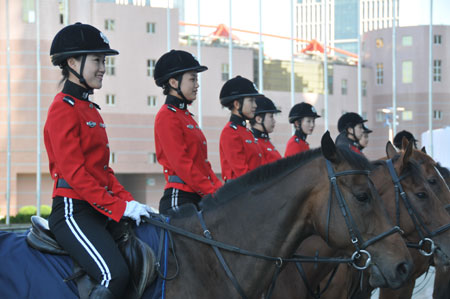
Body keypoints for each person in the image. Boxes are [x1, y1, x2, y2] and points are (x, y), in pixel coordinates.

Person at [45, 23, 151, 298]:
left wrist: (130, 202)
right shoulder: (62, 109)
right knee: (114, 274)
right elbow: (77, 175)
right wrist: (118, 207)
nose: (103, 67)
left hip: (96, 209)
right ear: (72, 62)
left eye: (104, 60)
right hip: (73, 211)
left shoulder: (89, 109)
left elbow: (103, 172)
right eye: (97, 60)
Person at [153, 50, 222, 214]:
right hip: (181, 197)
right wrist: (212, 193)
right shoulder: (166, 116)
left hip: (199, 196)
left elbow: (204, 166)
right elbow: (183, 165)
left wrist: (221, 192)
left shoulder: (185, 116)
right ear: (174, 83)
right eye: (192, 79)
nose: (196, 85)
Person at [219, 76, 265, 181]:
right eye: (251, 101)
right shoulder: (230, 132)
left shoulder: (246, 132)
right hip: (238, 193)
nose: (255, 105)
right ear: (237, 104)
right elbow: (242, 172)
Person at [250, 96, 282, 164]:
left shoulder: (265, 141)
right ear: (258, 119)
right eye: (271, 116)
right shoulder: (254, 144)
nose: (274, 121)